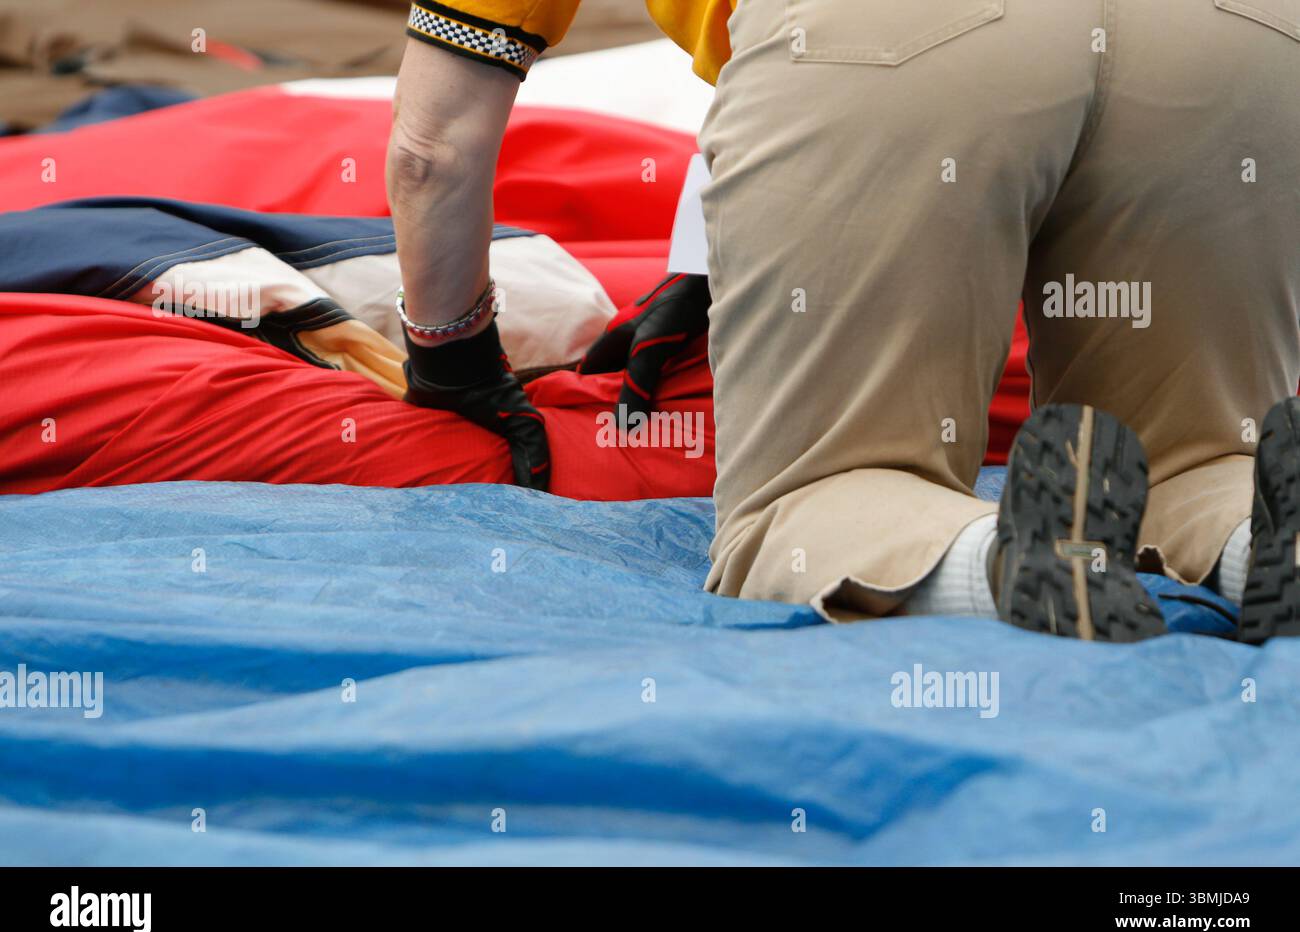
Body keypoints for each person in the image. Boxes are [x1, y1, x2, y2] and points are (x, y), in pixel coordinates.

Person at [386, 0, 1300, 642]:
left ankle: (1003, 558)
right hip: (1239, 37)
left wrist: (450, 355)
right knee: (1204, 455)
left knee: (827, 488)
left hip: (899, 34)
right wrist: (710, 260)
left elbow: (433, 148)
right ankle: (1256, 537)